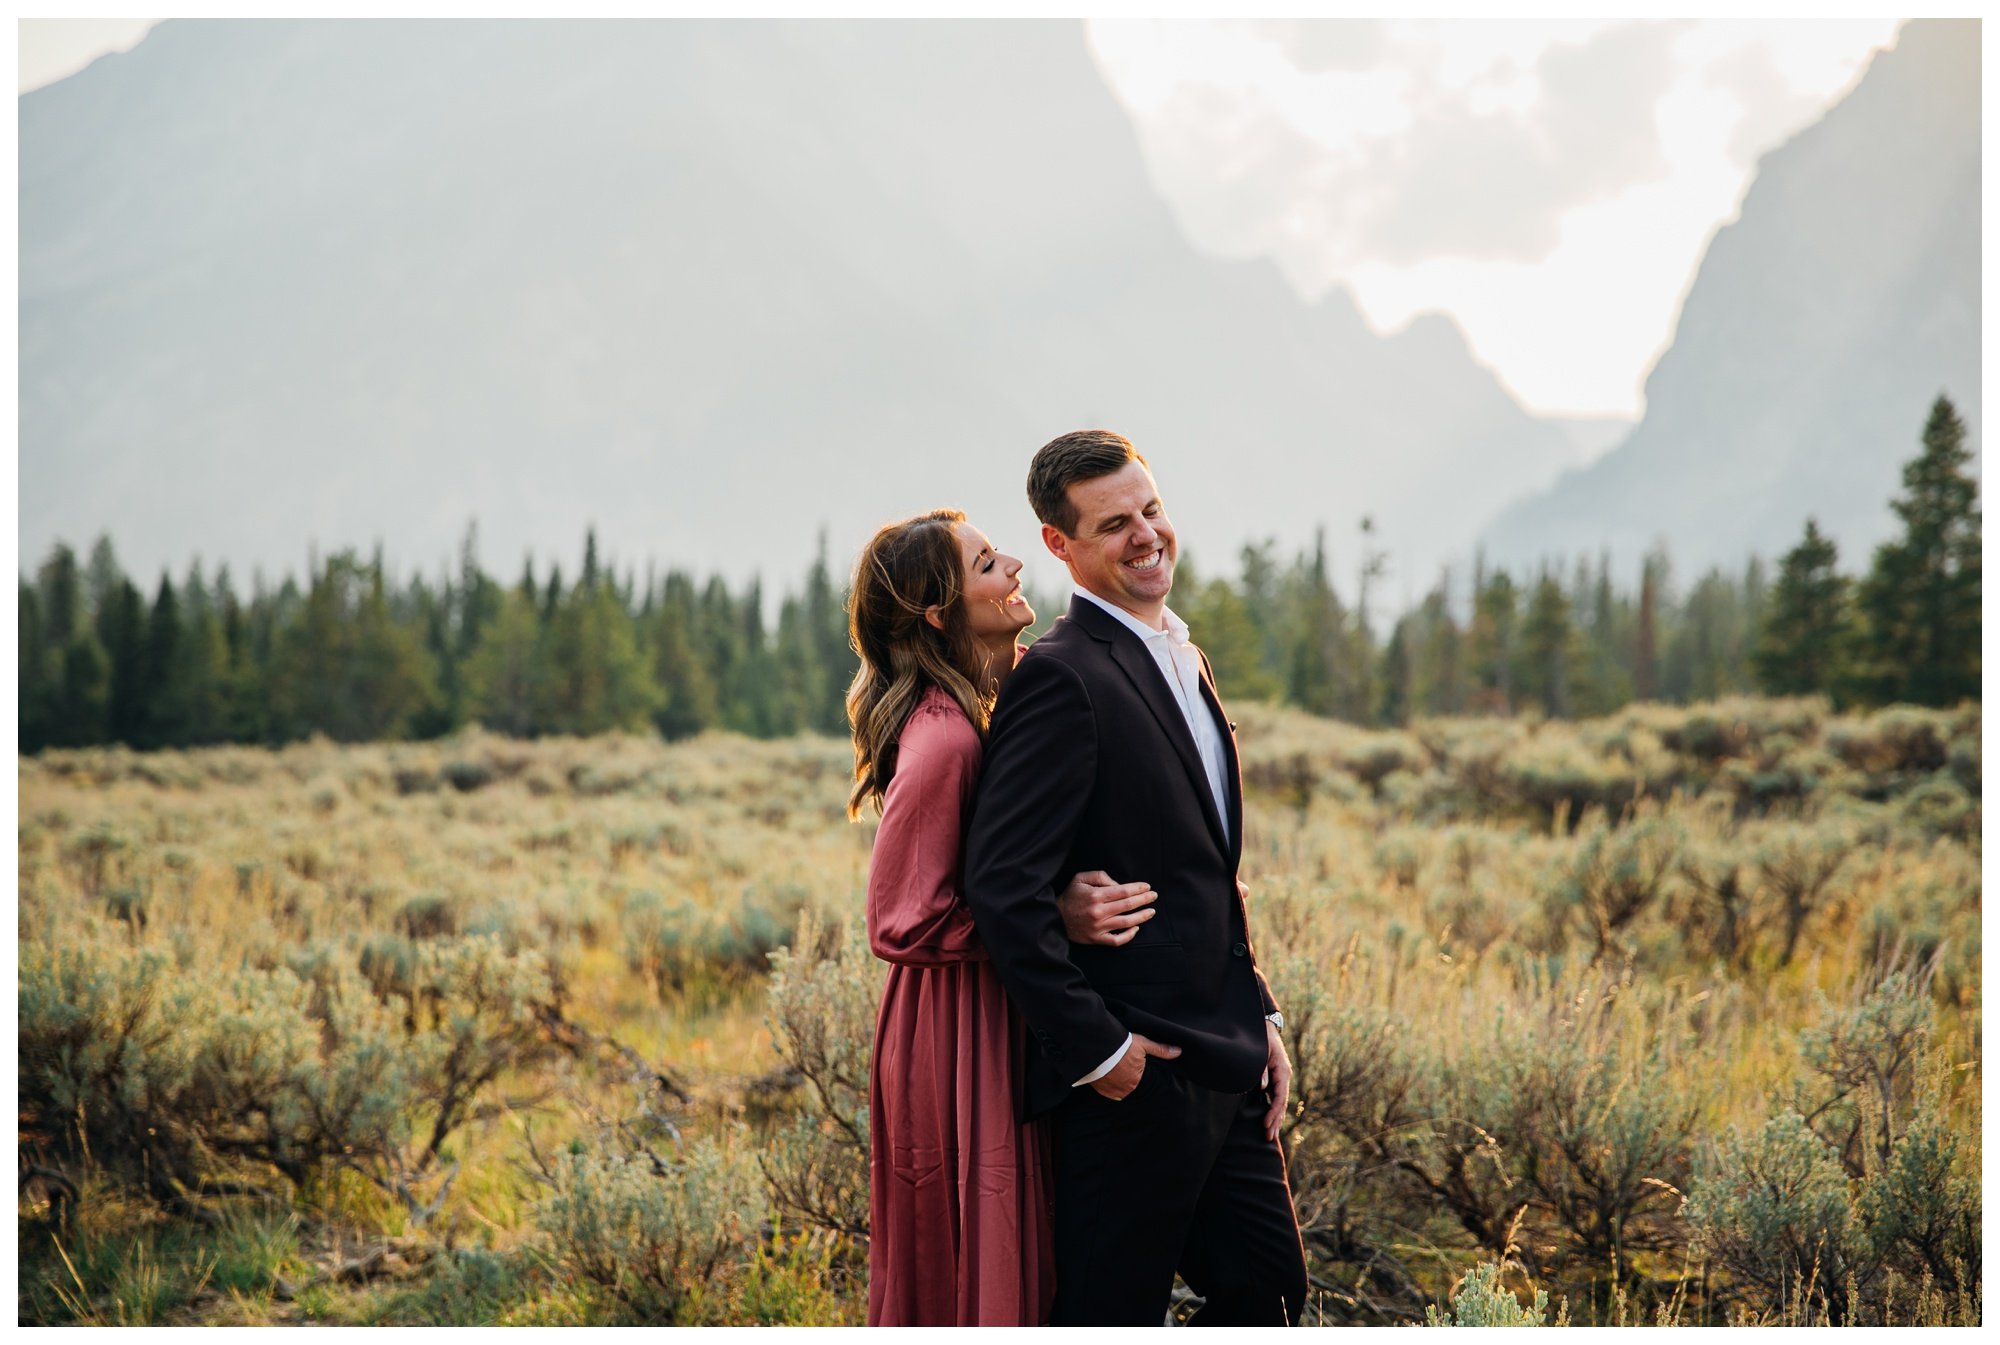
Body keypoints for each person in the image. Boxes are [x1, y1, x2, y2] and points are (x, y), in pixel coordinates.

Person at [962, 431, 1309, 1326]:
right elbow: (1003, 889)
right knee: (1108, 1313)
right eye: (1114, 524)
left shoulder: (1186, 657)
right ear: (1060, 545)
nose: (1146, 534)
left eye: (1150, 509)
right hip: (1134, 1075)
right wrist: (1102, 1053)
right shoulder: (1061, 677)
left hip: (1224, 1058)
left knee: (1266, 1289)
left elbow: (1205, 865)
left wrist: (1257, 1007)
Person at [846, 507, 1161, 1327]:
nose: (1016, 565)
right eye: (987, 563)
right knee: (976, 1242)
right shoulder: (944, 737)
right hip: (954, 1025)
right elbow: (900, 920)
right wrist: (1050, 918)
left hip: (997, 1005)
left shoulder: (1003, 696)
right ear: (937, 611)